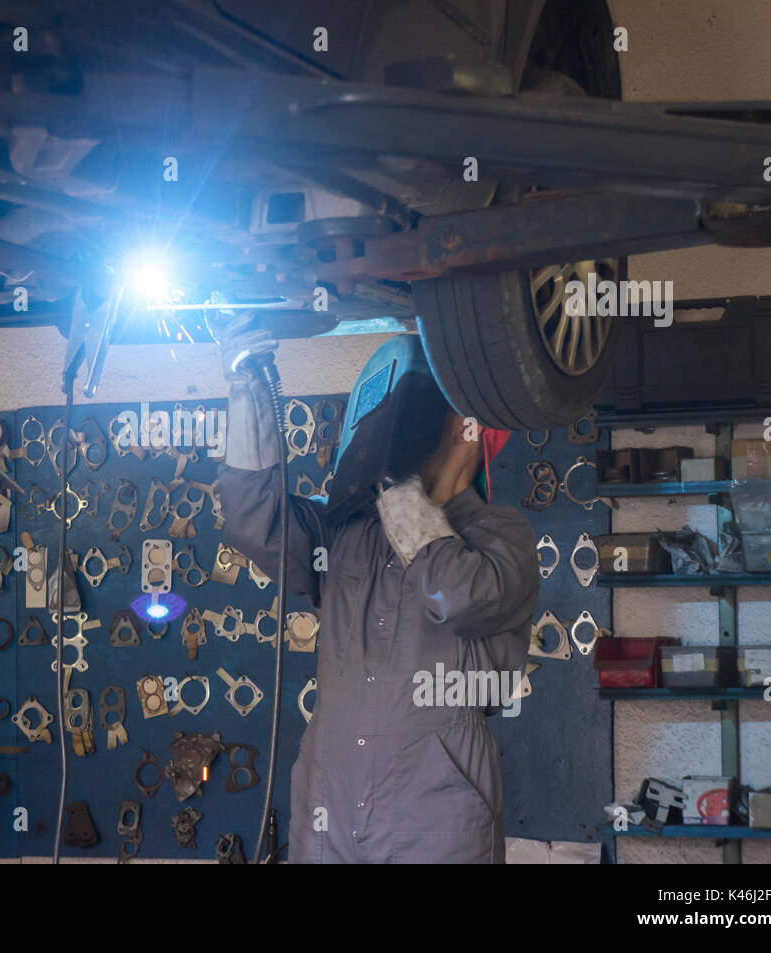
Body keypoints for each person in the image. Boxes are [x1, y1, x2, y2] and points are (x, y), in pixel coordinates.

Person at [214, 319, 539, 863]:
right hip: (331, 808)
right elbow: (253, 521)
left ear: (468, 428)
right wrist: (247, 382)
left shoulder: (499, 535)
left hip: (435, 817)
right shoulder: (346, 535)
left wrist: (395, 487)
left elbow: (455, 594)